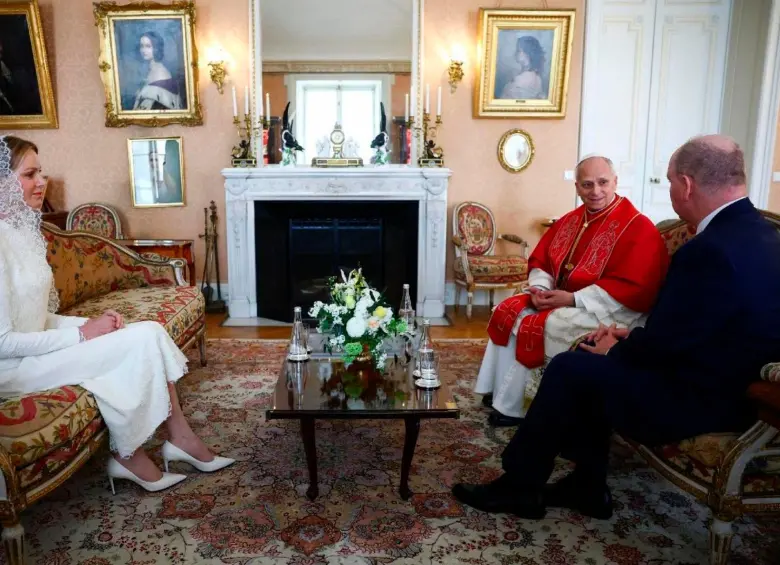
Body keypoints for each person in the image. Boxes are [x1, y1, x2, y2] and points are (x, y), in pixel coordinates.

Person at [453, 135, 780, 520]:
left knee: (571, 366)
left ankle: (520, 487)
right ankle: (587, 486)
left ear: (686, 185)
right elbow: (698, 330)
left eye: (671, 181)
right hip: (731, 389)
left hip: (701, 400)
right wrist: (627, 338)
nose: (672, 190)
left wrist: (618, 349)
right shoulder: (765, 236)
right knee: (588, 360)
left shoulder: (707, 249)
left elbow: (670, 342)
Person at [0, 135, 233, 493]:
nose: (42, 182)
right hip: (14, 369)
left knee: (149, 331)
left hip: (38, 349)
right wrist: (83, 334)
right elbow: (3, 343)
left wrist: (94, 325)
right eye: (30, 174)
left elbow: (37, 317)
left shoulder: (21, 233)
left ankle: (174, 439)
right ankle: (134, 454)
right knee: (139, 339)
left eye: (41, 172)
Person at [475, 155, 668, 427]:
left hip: (613, 311)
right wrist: (540, 289)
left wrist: (573, 298)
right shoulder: (571, 220)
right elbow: (543, 260)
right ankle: (500, 391)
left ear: (616, 182)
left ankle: (519, 406)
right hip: (562, 298)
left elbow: (635, 287)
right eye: (587, 185)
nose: (596, 191)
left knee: (541, 322)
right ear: (577, 187)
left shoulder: (638, 227)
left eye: (603, 183)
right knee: (507, 308)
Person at [132, 31, 182, 111]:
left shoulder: (161, 73)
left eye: (148, 46)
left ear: (156, 48)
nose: (143, 50)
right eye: (142, 46)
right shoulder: (150, 69)